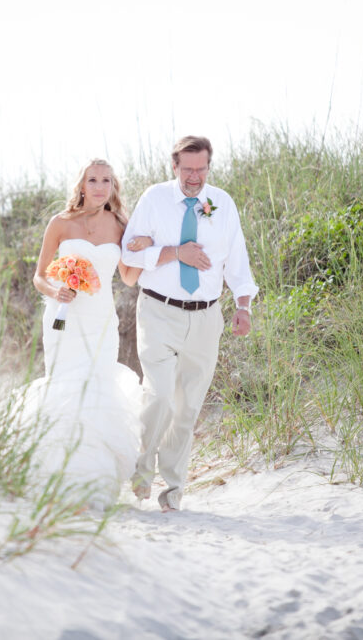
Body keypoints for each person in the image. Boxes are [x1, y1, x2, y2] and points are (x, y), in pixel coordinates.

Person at [121, 136, 257, 512]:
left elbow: (238, 261)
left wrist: (243, 306)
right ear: (174, 167)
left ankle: (173, 489)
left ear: (208, 167)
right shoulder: (154, 199)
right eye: (187, 169)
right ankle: (141, 472)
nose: (194, 177)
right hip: (158, 311)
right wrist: (174, 252)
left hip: (206, 317)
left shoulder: (222, 203)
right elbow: (128, 250)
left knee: (188, 407)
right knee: (160, 395)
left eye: (201, 169)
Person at [20, 158, 152, 508]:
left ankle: (94, 484)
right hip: (63, 317)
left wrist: (143, 250)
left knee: (96, 389)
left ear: (113, 187)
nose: (98, 186)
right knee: (65, 388)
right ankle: (60, 480)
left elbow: (127, 277)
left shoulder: (121, 224)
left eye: (105, 181)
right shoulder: (60, 224)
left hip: (100, 321)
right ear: (81, 185)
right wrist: (55, 291)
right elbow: (39, 276)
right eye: (92, 180)